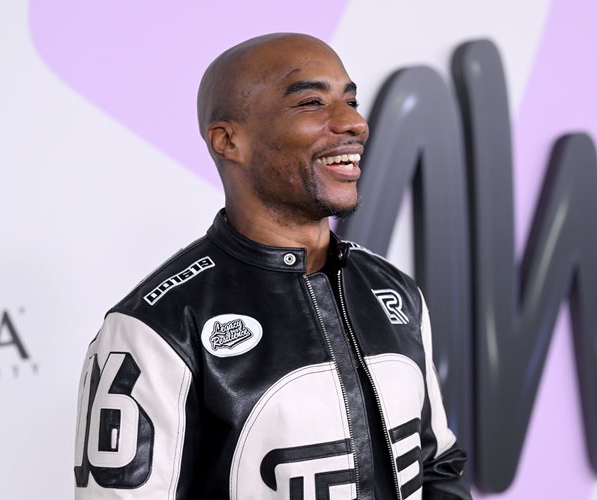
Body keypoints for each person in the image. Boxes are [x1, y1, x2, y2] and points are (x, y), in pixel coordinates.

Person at [73, 33, 471, 500]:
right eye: (311, 102)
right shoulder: (156, 326)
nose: (354, 123)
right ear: (228, 141)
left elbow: (437, 465)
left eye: (350, 101)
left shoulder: (395, 290)